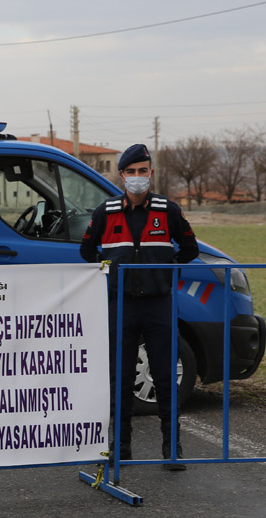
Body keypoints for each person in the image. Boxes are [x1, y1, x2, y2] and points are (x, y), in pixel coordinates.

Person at [80, 144, 199, 470]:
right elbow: (86, 251)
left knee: (164, 376)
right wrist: (110, 271)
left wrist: (165, 269)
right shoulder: (105, 212)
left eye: (142, 171)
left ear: (151, 173)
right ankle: (121, 447)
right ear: (122, 175)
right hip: (121, 305)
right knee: (120, 378)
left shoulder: (168, 211)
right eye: (131, 172)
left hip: (159, 304)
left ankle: (171, 448)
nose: (137, 177)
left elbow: (189, 248)